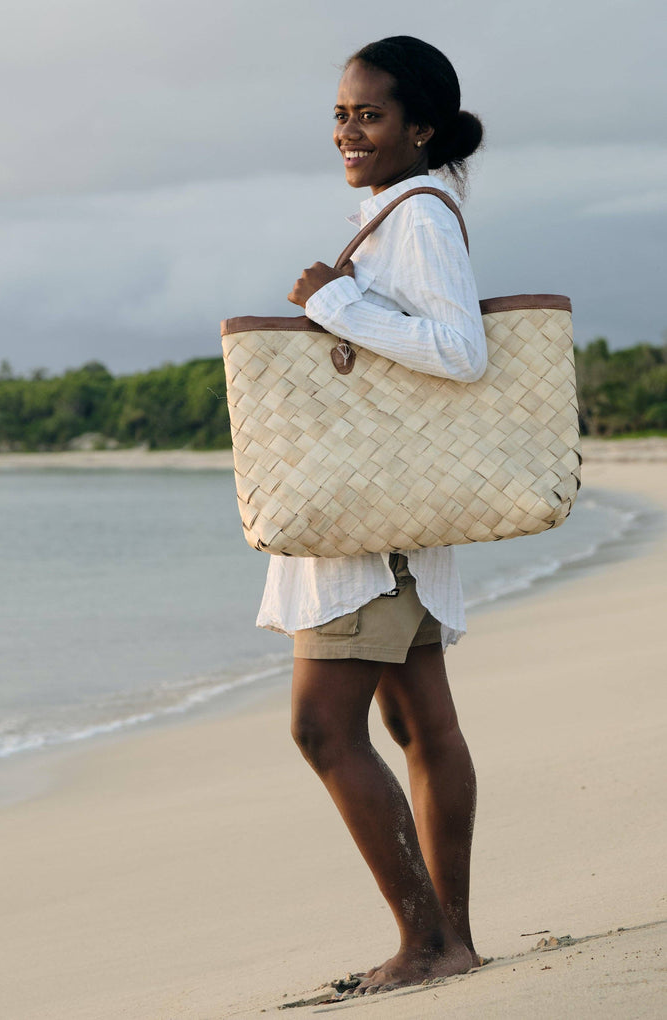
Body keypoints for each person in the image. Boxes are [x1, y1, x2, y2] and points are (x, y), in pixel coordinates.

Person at [256, 36, 487, 994]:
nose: (350, 132)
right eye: (343, 115)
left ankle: (426, 942)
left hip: (372, 528)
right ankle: (453, 941)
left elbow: (459, 351)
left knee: (323, 728)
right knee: (417, 720)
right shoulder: (397, 213)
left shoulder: (418, 218)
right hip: (398, 510)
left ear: (419, 128)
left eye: (371, 115)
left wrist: (337, 301)